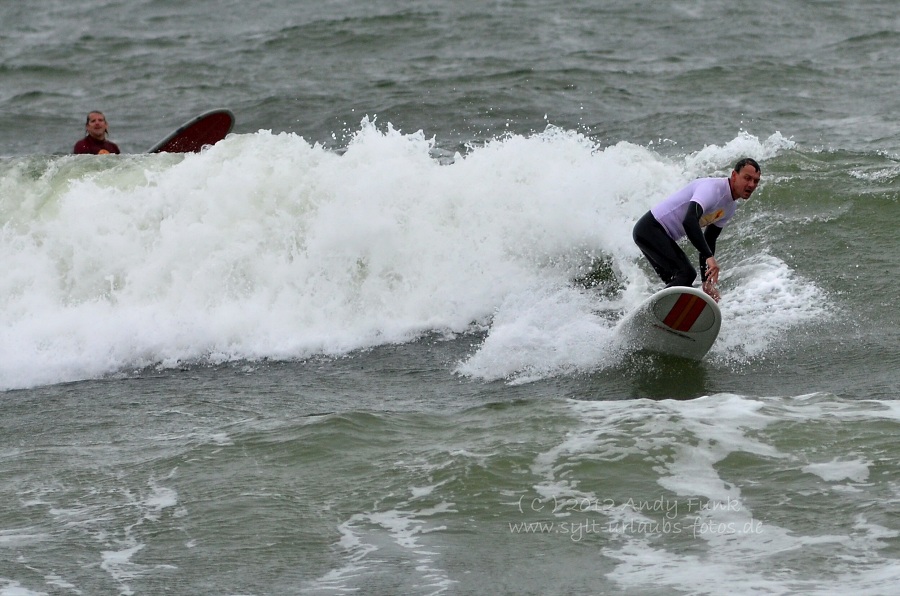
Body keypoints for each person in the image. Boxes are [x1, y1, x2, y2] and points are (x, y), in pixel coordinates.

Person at [632, 157, 762, 302]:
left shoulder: (730, 207)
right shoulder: (712, 189)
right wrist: (709, 258)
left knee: (679, 284)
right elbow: (689, 221)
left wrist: (706, 281)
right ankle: (651, 312)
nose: (751, 184)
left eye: (756, 181)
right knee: (686, 274)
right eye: (747, 178)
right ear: (734, 175)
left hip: (660, 234)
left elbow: (709, 239)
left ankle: (662, 318)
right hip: (650, 228)